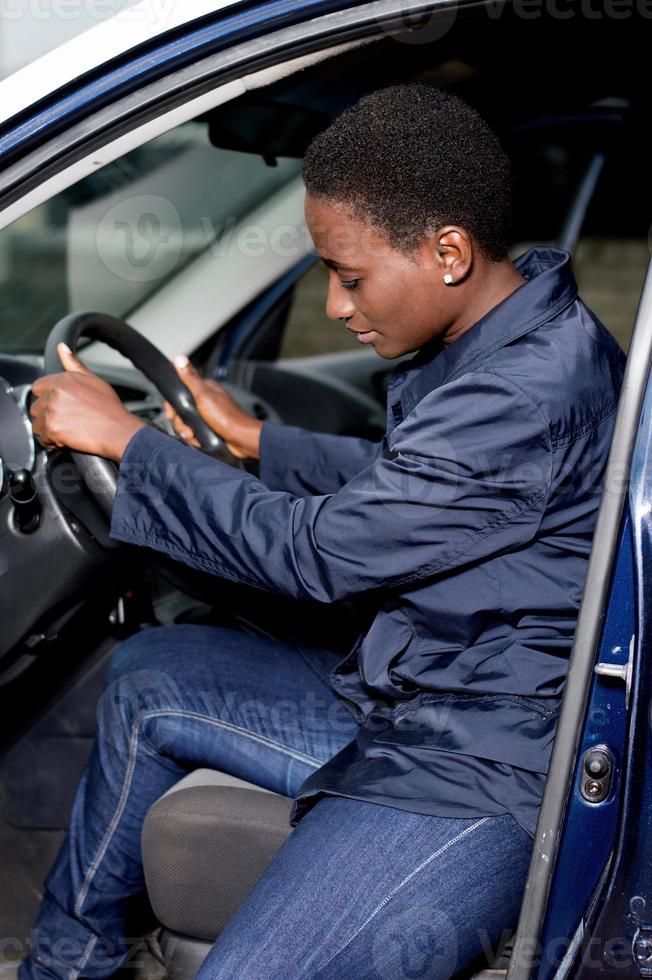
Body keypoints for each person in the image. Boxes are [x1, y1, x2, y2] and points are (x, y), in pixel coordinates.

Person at [24, 84, 625, 980]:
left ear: (449, 252)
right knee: (152, 678)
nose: (338, 306)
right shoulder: (513, 334)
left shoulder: (527, 389)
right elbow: (412, 487)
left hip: (487, 765)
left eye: (351, 276)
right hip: (425, 701)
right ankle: (66, 967)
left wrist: (129, 441)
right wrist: (259, 440)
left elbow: (318, 554)